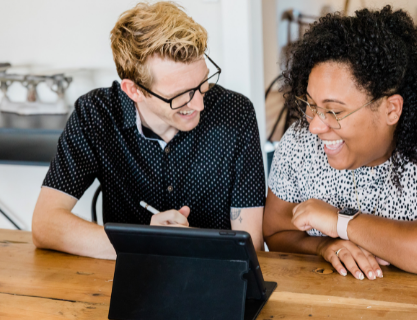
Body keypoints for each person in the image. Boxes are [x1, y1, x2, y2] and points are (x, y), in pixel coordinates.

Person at [263, 6, 417, 280]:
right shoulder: (302, 141)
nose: (314, 125)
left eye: (334, 111)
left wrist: (341, 221)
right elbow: (276, 232)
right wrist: (325, 245)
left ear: (391, 109)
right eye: (311, 104)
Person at [32, 2, 266, 259]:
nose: (199, 104)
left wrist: (174, 245)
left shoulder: (236, 113)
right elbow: (45, 225)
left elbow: (250, 247)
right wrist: (146, 243)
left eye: (203, 84)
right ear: (134, 91)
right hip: (129, 281)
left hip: (216, 277)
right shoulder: (96, 114)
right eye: (180, 96)